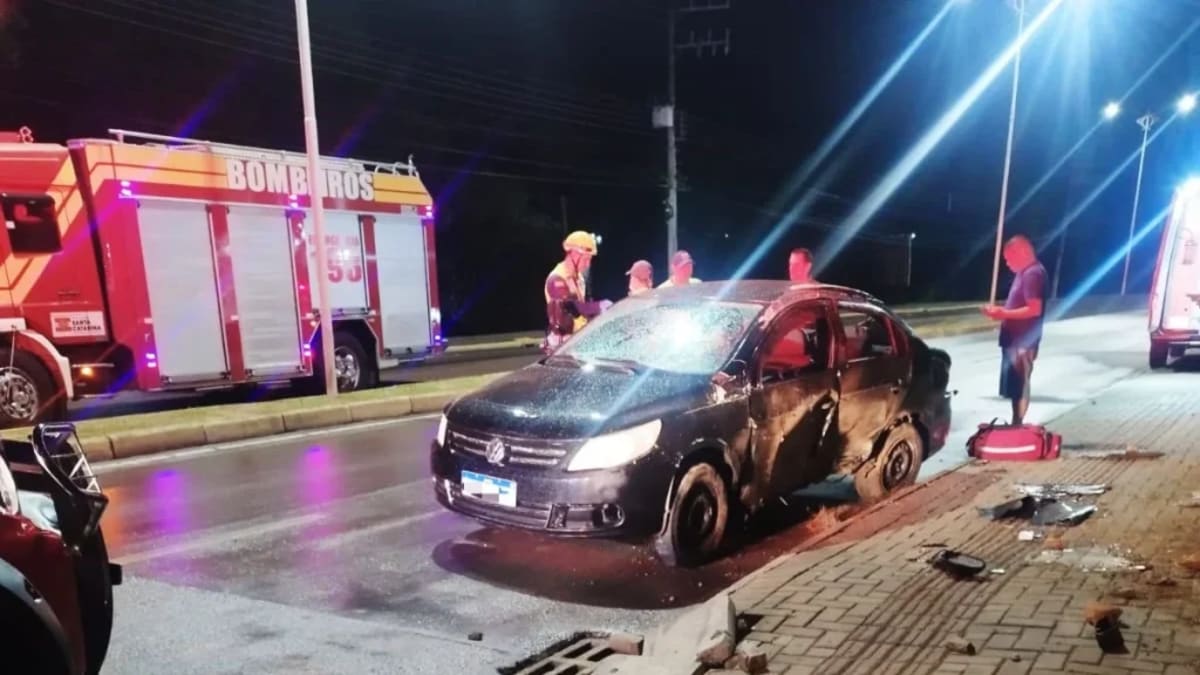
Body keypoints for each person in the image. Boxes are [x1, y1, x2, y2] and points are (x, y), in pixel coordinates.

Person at [981, 235, 1047, 425]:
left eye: (1010, 258)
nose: (1008, 263)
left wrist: (1003, 313)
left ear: (1023, 252)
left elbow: (1034, 309)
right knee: (1015, 385)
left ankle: (1017, 425)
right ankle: (1015, 423)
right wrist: (1001, 312)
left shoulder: (1033, 274)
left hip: (1022, 340)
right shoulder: (1025, 273)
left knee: (1020, 383)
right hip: (1015, 339)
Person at [544, 231, 611, 353]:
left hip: (577, 341)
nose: (588, 264)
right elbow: (570, 305)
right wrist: (598, 306)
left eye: (590, 260)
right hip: (562, 347)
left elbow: (582, 311)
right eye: (586, 259)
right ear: (574, 254)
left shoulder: (579, 278)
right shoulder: (556, 279)